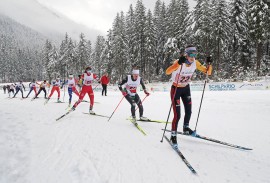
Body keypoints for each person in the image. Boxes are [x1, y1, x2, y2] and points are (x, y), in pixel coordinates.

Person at [165, 45, 212, 148]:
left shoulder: (195, 63)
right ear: (186, 54)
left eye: (195, 54)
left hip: (186, 89)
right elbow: (167, 71)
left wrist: (209, 64)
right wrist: (177, 63)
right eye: (191, 54)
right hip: (176, 89)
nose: (193, 56)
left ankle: (186, 128)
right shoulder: (179, 62)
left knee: (189, 111)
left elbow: (208, 72)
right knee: (177, 115)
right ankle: (173, 136)